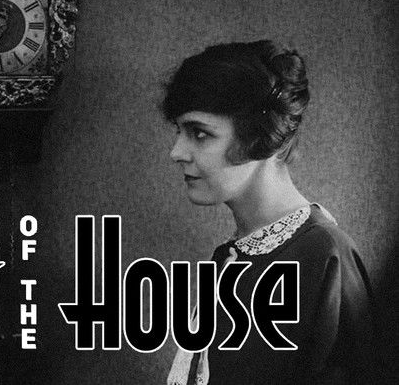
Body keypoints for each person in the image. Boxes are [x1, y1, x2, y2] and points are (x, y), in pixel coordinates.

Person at [162, 41, 379, 384]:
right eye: (179, 131)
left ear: (259, 136)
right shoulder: (233, 256)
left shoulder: (325, 255)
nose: (177, 152)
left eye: (199, 133)